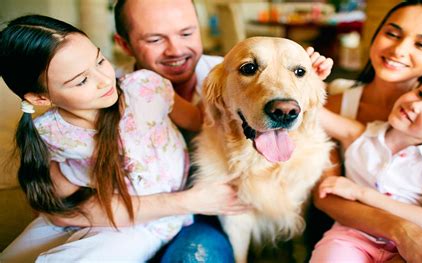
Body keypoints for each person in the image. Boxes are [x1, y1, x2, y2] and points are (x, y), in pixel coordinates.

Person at [0, 14, 249, 262]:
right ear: (41, 99)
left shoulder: (146, 88)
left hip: (146, 224)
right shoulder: (50, 134)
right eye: (82, 80)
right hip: (98, 217)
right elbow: (65, 211)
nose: (104, 80)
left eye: (99, 61)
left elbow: (201, 121)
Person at [113, 0, 334, 261]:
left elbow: (324, 119)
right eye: (154, 39)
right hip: (155, 220)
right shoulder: (108, 96)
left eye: (186, 33)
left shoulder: (225, 65)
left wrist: (305, 77)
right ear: (124, 45)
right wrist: (188, 202)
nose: (175, 49)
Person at [307, 0, 422, 262]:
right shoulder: (344, 112)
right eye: (392, 34)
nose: (399, 49)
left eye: (421, 44)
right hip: (354, 237)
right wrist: (307, 79)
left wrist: (408, 254)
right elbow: (325, 196)